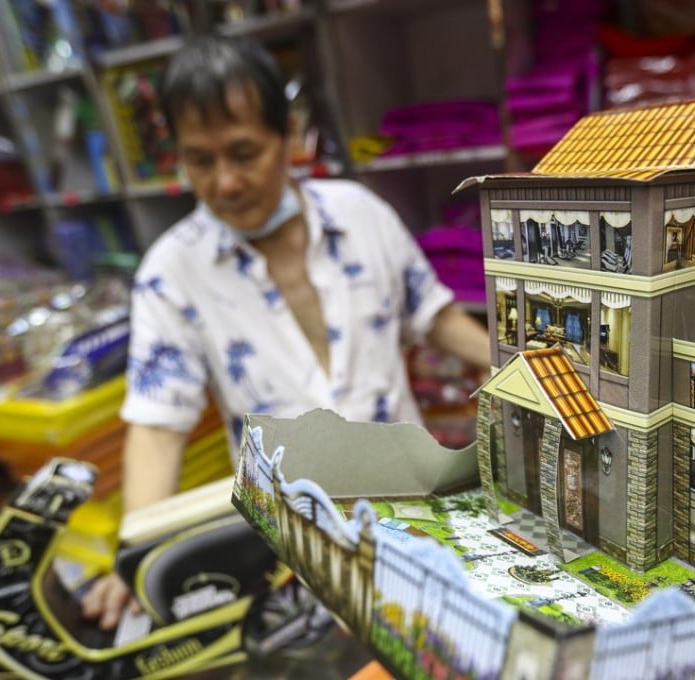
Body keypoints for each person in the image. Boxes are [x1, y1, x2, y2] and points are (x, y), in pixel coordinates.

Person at [82, 34, 490, 630]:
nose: (225, 182)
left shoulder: (361, 215)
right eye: (200, 161)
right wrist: (137, 556)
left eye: (244, 153)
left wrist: (523, 368)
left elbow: (434, 317)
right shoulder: (172, 273)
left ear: (289, 136)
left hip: (417, 519)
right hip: (291, 556)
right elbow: (158, 428)